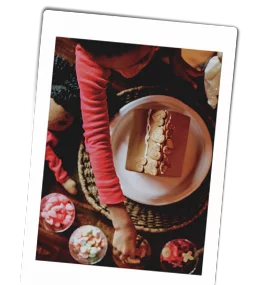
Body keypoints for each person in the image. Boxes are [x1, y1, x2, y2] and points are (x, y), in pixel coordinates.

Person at [74, 40, 220, 262]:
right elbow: (95, 136)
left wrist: (177, 58)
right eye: (113, 68)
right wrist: (121, 221)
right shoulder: (88, 58)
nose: (129, 74)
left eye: (140, 60)